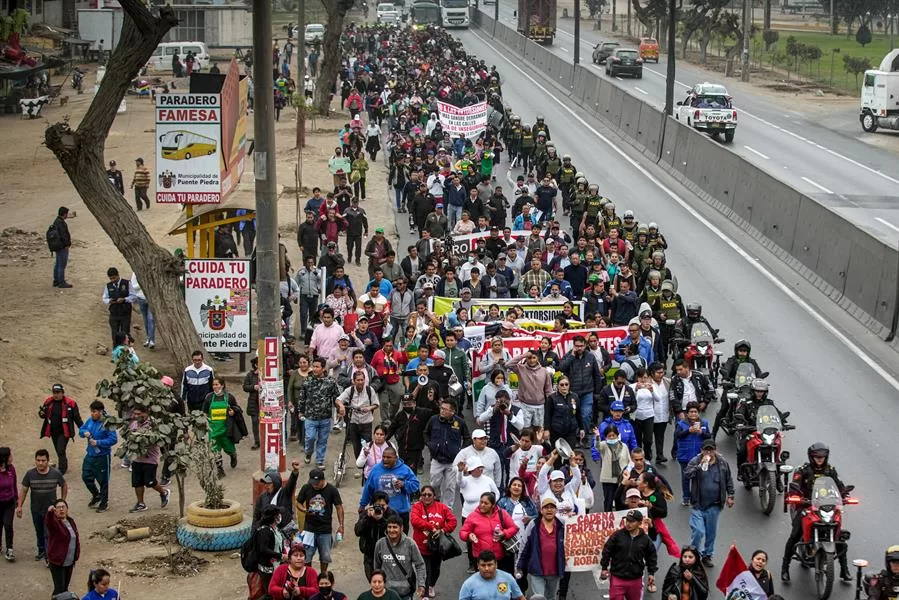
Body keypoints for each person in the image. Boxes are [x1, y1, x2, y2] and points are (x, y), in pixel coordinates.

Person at [781, 442, 850, 583]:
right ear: (811, 457)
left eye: (822, 457)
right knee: (795, 535)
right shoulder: (803, 470)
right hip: (805, 506)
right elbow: (794, 487)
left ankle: (844, 570)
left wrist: (845, 495)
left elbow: (839, 486)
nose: (820, 459)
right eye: (817, 457)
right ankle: (785, 568)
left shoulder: (830, 470)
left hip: (826, 508)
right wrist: (797, 496)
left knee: (840, 535)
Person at [684, 439, 734, 568]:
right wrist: (699, 466)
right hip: (698, 505)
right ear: (701, 450)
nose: (708, 452)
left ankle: (707, 555)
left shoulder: (722, 463)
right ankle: (693, 554)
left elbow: (728, 479)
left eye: (711, 450)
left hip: (714, 505)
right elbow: (687, 474)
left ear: (715, 450)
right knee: (699, 531)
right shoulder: (696, 461)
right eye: (706, 450)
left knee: (711, 533)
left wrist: (731, 495)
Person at [15, 448, 66, 562]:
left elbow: (64, 485)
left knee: (49, 532)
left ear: (48, 461)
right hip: (36, 509)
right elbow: (24, 490)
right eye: (38, 460)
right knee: (39, 530)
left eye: (43, 460)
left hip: (51, 510)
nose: (40, 463)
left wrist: (62, 502)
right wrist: (19, 506)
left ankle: (49, 555)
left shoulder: (55, 473)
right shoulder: (30, 474)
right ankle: (41, 550)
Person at [410, 485, 457, 600]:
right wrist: (431, 527)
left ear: (434, 496)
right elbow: (415, 521)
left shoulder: (441, 507)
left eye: (429, 495)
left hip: (437, 546)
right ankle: (425, 594)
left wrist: (443, 530)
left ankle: (431, 586)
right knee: (424, 570)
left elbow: (453, 521)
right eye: (423, 495)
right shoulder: (417, 507)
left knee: (435, 569)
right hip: (421, 546)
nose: (426, 497)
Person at [600, 509, 658, 600]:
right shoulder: (617, 535)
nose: (628, 524)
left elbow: (651, 556)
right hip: (617, 578)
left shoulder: (645, 539)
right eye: (627, 520)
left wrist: (651, 573)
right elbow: (607, 550)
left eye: (632, 521)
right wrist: (604, 568)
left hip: (635, 580)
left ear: (639, 523)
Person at [359, 448, 420, 532]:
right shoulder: (376, 469)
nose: (385, 459)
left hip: (400, 512)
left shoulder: (405, 469)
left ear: (396, 458)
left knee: (401, 541)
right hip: (381, 512)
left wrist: (404, 484)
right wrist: (362, 505)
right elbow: (368, 489)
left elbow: (416, 485)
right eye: (383, 457)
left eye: (388, 457)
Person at [296, 468, 344, 574]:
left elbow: (339, 507)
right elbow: (298, 502)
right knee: (307, 556)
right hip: (309, 528)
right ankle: (308, 575)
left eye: (317, 483)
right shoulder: (306, 488)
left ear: (323, 480)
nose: (315, 485)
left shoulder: (332, 490)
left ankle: (323, 575)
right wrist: (304, 510)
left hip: (325, 529)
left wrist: (341, 525)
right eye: (313, 483)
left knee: (325, 556)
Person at [516, 497, 565, 599]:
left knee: (551, 597)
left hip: (555, 570)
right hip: (537, 569)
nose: (549, 510)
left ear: (556, 510)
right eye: (546, 508)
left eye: (552, 507)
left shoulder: (562, 524)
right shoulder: (533, 524)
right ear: (541, 510)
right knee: (539, 597)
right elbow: (524, 545)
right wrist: (519, 566)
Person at [424, 399, 469, 509]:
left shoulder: (460, 422)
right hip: (437, 459)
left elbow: (467, 438)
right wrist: (430, 445)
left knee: (450, 487)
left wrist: (460, 452)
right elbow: (425, 433)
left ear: (452, 411)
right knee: (434, 484)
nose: (442, 411)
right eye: (441, 408)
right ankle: (436, 501)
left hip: (452, 462)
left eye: (445, 409)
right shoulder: (433, 420)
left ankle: (447, 508)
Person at [460, 492, 518, 575]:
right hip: (481, 559)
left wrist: (504, 533)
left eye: (486, 503)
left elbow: (514, 528)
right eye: (481, 502)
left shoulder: (502, 514)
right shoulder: (473, 516)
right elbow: (463, 532)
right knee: (483, 584)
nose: (482, 505)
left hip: (499, 558)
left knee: (499, 584)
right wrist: (469, 536)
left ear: (493, 505)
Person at [299, 357, 342, 468]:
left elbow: (336, 397)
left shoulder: (330, 382)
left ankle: (319, 461)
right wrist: (301, 411)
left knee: (322, 440)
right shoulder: (307, 381)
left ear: (323, 368)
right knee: (310, 438)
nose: (314, 369)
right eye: (313, 366)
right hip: (310, 417)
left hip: (325, 417)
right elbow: (302, 398)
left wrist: (339, 410)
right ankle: (308, 453)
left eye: (317, 367)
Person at [127, 406, 171, 512]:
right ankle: (140, 503)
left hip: (150, 459)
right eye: (135, 414)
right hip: (137, 459)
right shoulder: (133, 424)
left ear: (146, 413)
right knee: (137, 483)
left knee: (150, 482)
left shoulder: (153, 425)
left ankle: (163, 492)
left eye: (139, 414)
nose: (137, 416)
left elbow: (156, 439)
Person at [373, 515, 426, 600]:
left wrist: (421, 585)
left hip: (405, 592)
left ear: (401, 528)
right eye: (389, 527)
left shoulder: (410, 544)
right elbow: (377, 567)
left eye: (395, 527)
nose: (391, 530)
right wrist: (376, 584)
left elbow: (420, 565)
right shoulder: (380, 544)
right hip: (386, 592)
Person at [77, 400, 117, 513]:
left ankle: (104, 503)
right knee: (86, 476)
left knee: (103, 480)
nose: (92, 414)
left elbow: (113, 439)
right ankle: (96, 495)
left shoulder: (108, 423)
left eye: (94, 412)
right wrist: (84, 433)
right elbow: (81, 429)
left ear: (100, 411)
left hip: (102, 456)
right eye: (91, 411)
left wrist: (98, 442)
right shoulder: (90, 421)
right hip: (90, 454)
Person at [202, 377, 246, 478]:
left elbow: (237, 408)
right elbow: (204, 411)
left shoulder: (229, 397)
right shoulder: (209, 397)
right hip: (213, 429)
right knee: (215, 450)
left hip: (226, 428)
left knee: (229, 448)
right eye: (213, 385)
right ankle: (220, 469)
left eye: (217, 384)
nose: (215, 387)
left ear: (222, 385)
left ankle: (233, 455)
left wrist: (233, 412)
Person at [336, 371, 380, 468]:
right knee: (356, 446)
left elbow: (376, 404)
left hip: (366, 422)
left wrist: (369, 408)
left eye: (362, 380)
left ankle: (368, 465)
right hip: (353, 422)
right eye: (358, 380)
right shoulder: (349, 390)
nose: (360, 382)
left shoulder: (369, 390)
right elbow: (338, 399)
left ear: (365, 380)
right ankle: (360, 465)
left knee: (367, 446)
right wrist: (341, 406)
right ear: (354, 381)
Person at [39, 383, 83, 476]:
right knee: (59, 450)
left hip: (64, 432)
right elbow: (43, 414)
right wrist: (41, 413)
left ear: (62, 393)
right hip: (53, 431)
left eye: (58, 392)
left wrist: (83, 429)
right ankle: (64, 464)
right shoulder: (49, 402)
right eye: (54, 392)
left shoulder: (71, 403)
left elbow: (77, 418)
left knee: (60, 449)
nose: (56, 394)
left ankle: (62, 469)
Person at [675, 403, 711, 505]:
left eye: (695, 412)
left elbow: (709, 437)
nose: (693, 414)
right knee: (686, 477)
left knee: (700, 477)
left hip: (700, 456)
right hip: (684, 455)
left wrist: (701, 433)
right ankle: (686, 498)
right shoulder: (681, 424)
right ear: (687, 413)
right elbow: (677, 435)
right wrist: (688, 431)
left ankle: (697, 498)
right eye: (691, 412)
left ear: (698, 413)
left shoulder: (704, 423)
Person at [356, 490, 397, 579]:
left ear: (387, 505)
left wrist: (382, 519)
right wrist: (367, 518)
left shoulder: (392, 514)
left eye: (383, 506)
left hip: (388, 554)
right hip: (370, 554)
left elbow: (396, 533)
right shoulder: (367, 513)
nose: (380, 508)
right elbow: (357, 532)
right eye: (377, 505)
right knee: (373, 582)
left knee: (387, 581)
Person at [592, 424, 631, 512]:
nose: (612, 437)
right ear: (606, 437)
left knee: (620, 500)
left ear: (617, 435)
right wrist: (597, 436)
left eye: (613, 435)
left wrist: (627, 471)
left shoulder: (624, 446)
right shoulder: (604, 446)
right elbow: (597, 446)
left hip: (621, 478)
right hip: (608, 479)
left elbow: (629, 460)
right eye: (609, 436)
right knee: (608, 500)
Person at [46, 498, 79, 596]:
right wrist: (50, 513)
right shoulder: (55, 524)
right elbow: (49, 523)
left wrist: (76, 555)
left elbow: (76, 539)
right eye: (58, 507)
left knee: (64, 588)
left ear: (67, 509)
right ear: (55, 510)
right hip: (58, 562)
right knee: (59, 589)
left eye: (63, 507)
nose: (61, 509)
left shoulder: (71, 521)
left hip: (69, 562)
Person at [459, 550, 525, 600]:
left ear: (496, 565)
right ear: (478, 566)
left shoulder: (508, 578)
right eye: (483, 565)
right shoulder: (468, 584)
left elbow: (520, 597)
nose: (486, 568)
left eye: (490, 565)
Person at [252, 505, 286, 598]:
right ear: (273, 517)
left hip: (276, 566)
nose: (280, 516)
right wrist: (281, 556)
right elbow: (264, 549)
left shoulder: (275, 528)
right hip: (267, 569)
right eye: (278, 514)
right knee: (270, 593)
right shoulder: (264, 531)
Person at [544, 378, 581, 448]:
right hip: (556, 432)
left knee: (570, 455)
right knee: (556, 455)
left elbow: (578, 414)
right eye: (562, 385)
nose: (564, 386)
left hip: (571, 432)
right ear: (558, 386)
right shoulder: (552, 398)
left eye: (566, 384)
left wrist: (582, 428)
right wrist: (546, 430)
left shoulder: (575, 397)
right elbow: (547, 415)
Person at [49, 206, 73, 288]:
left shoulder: (56, 221)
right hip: (62, 246)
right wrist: (67, 244)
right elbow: (63, 235)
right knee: (62, 264)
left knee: (58, 263)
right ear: (64, 214)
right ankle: (61, 282)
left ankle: (56, 280)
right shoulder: (61, 223)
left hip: (57, 246)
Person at [0, 448, 15, 562]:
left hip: (9, 502)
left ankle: (9, 548)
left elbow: (14, 485)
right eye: (10, 456)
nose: (12, 458)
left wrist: (17, 500)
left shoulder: (11, 469)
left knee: (8, 525)